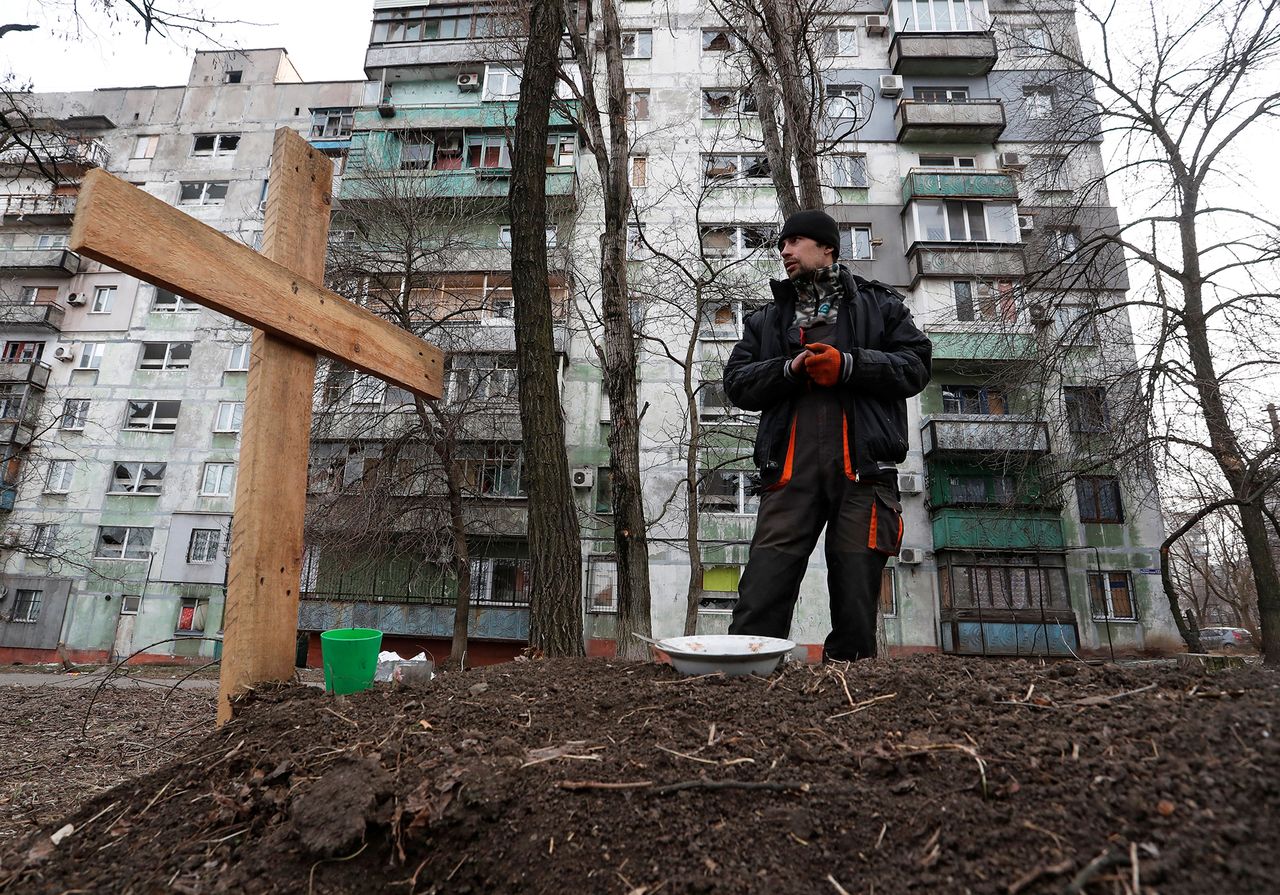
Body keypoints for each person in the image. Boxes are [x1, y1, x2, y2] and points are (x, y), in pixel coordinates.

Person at [723, 209, 931, 661]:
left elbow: (916, 366)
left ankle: (849, 695)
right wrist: (789, 368)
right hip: (788, 475)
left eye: (795, 241)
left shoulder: (881, 306)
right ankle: (740, 678)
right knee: (761, 591)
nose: (784, 251)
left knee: (855, 600)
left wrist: (849, 365)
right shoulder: (767, 319)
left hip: (862, 473)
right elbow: (736, 383)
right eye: (782, 243)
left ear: (828, 249)